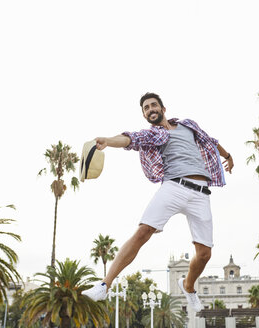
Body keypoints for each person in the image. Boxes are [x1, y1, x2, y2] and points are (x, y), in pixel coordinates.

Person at [83, 92, 234, 311]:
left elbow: (210, 140)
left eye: (154, 105)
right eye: (146, 108)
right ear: (145, 115)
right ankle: (105, 285)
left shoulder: (188, 125)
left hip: (201, 193)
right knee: (143, 231)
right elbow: (130, 139)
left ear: (163, 109)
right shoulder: (152, 135)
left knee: (204, 254)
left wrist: (228, 156)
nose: (151, 109)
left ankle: (188, 286)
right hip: (173, 187)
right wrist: (108, 141)